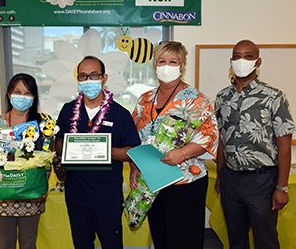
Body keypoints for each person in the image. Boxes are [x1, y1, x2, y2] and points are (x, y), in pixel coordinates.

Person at [130, 41, 219, 249]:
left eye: (173, 61)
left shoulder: (195, 100)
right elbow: (134, 137)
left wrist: (183, 153)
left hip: (185, 181)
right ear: (154, 65)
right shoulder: (144, 99)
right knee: (161, 238)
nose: (167, 66)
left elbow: (210, 135)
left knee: (183, 241)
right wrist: (135, 166)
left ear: (182, 66)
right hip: (152, 181)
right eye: (162, 61)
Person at [215, 39, 295, 249]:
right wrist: (221, 174)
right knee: (235, 239)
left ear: (258, 62)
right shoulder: (222, 97)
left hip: (262, 182)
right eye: (237, 56)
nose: (242, 61)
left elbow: (284, 144)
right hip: (230, 180)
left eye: (248, 56)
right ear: (231, 61)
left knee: (265, 240)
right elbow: (221, 139)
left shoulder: (273, 97)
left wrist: (282, 187)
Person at [55, 56, 141, 249]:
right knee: (81, 244)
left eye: (94, 75)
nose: (88, 81)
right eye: (83, 76)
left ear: (104, 78)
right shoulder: (68, 111)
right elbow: (59, 142)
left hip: (107, 197)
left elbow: (133, 151)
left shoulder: (120, 114)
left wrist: (101, 151)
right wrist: (62, 158)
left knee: (111, 244)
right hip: (76, 195)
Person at [0, 73, 51, 249]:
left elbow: (47, 161)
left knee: (28, 243)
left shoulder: (42, 124)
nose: (22, 97)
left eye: (27, 93)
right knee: (5, 243)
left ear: (34, 97)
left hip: (30, 197)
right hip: (2, 196)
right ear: (9, 94)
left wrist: (42, 187)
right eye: (17, 92)